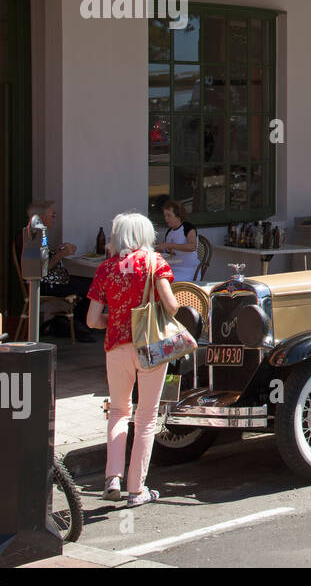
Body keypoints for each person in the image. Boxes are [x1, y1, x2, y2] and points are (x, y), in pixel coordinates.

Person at [86, 212, 181, 508]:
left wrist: (117, 319)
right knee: (146, 417)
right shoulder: (154, 264)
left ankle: (112, 478)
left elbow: (92, 320)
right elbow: (172, 306)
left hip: (116, 346)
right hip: (149, 347)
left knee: (117, 411)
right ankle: (136, 489)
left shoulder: (106, 269)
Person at [23, 200, 96, 342]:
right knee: (93, 287)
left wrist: (57, 250)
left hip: (57, 280)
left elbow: (43, 259)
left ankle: (69, 323)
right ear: (41, 217)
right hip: (46, 284)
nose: (54, 219)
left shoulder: (39, 234)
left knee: (92, 284)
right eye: (53, 215)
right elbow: (39, 270)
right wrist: (59, 256)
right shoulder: (34, 235)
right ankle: (74, 325)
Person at [157, 199, 200, 282]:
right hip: (172, 268)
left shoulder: (188, 227)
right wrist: (159, 247)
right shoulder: (170, 232)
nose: (166, 219)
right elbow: (168, 251)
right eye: (165, 216)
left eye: (169, 215)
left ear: (178, 215)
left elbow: (192, 247)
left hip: (188, 270)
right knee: (154, 279)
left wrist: (169, 245)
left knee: (161, 282)